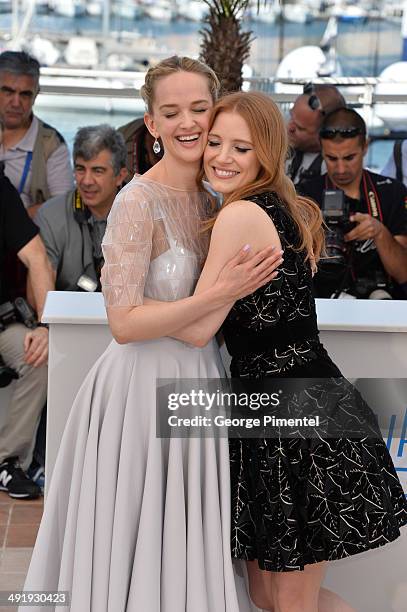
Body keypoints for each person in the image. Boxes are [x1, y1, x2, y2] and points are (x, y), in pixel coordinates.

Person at [21, 56, 282, 612]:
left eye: (199, 108)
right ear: (152, 122)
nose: (188, 122)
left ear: (216, 113)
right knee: (136, 536)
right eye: (172, 111)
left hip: (203, 381)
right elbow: (124, 322)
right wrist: (217, 294)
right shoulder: (135, 201)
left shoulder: (220, 200)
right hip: (140, 391)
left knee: (186, 536)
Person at [198, 90, 407, 612]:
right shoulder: (274, 206)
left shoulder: (241, 213)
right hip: (282, 407)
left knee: (286, 600)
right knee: (273, 596)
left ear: (266, 155)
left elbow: (197, 328)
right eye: (215, 142)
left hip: (297, 411)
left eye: (241, 149)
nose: (222, 156)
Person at [298, 108, 407, 299]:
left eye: (349, 158)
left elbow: (403, 273)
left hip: (383, 305)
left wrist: (379, 233)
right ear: (321, 150)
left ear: (365, 146)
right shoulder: (304, 196)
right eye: (331, 158)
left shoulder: (392, 192)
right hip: (321, 306)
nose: (340, 169)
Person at [0, 165, 53, 499]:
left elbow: (38, 260)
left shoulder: (1, 189)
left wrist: (48, 325)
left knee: (38, 356)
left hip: (3, 321)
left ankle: (8, 461)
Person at [35, 125, 128, 292]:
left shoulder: (145, 213)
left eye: (97, 171)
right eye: (80, 169)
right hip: (67, 316)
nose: (86, 181)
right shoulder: (49, 215)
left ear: (120, 176)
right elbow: (39, 301)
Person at [0, 50, 74, 216]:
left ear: (36, 95)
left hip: (27, 237)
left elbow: (65, 206)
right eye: (8, 92)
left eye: (25, 94)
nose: (16, 102)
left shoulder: (51, 144)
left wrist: (17, 218)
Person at [287, 83, 346, 184]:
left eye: (300, 128)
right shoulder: (283, 152)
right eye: (291, 117)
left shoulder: (333, 169)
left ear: (325, 134)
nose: (289, 127)